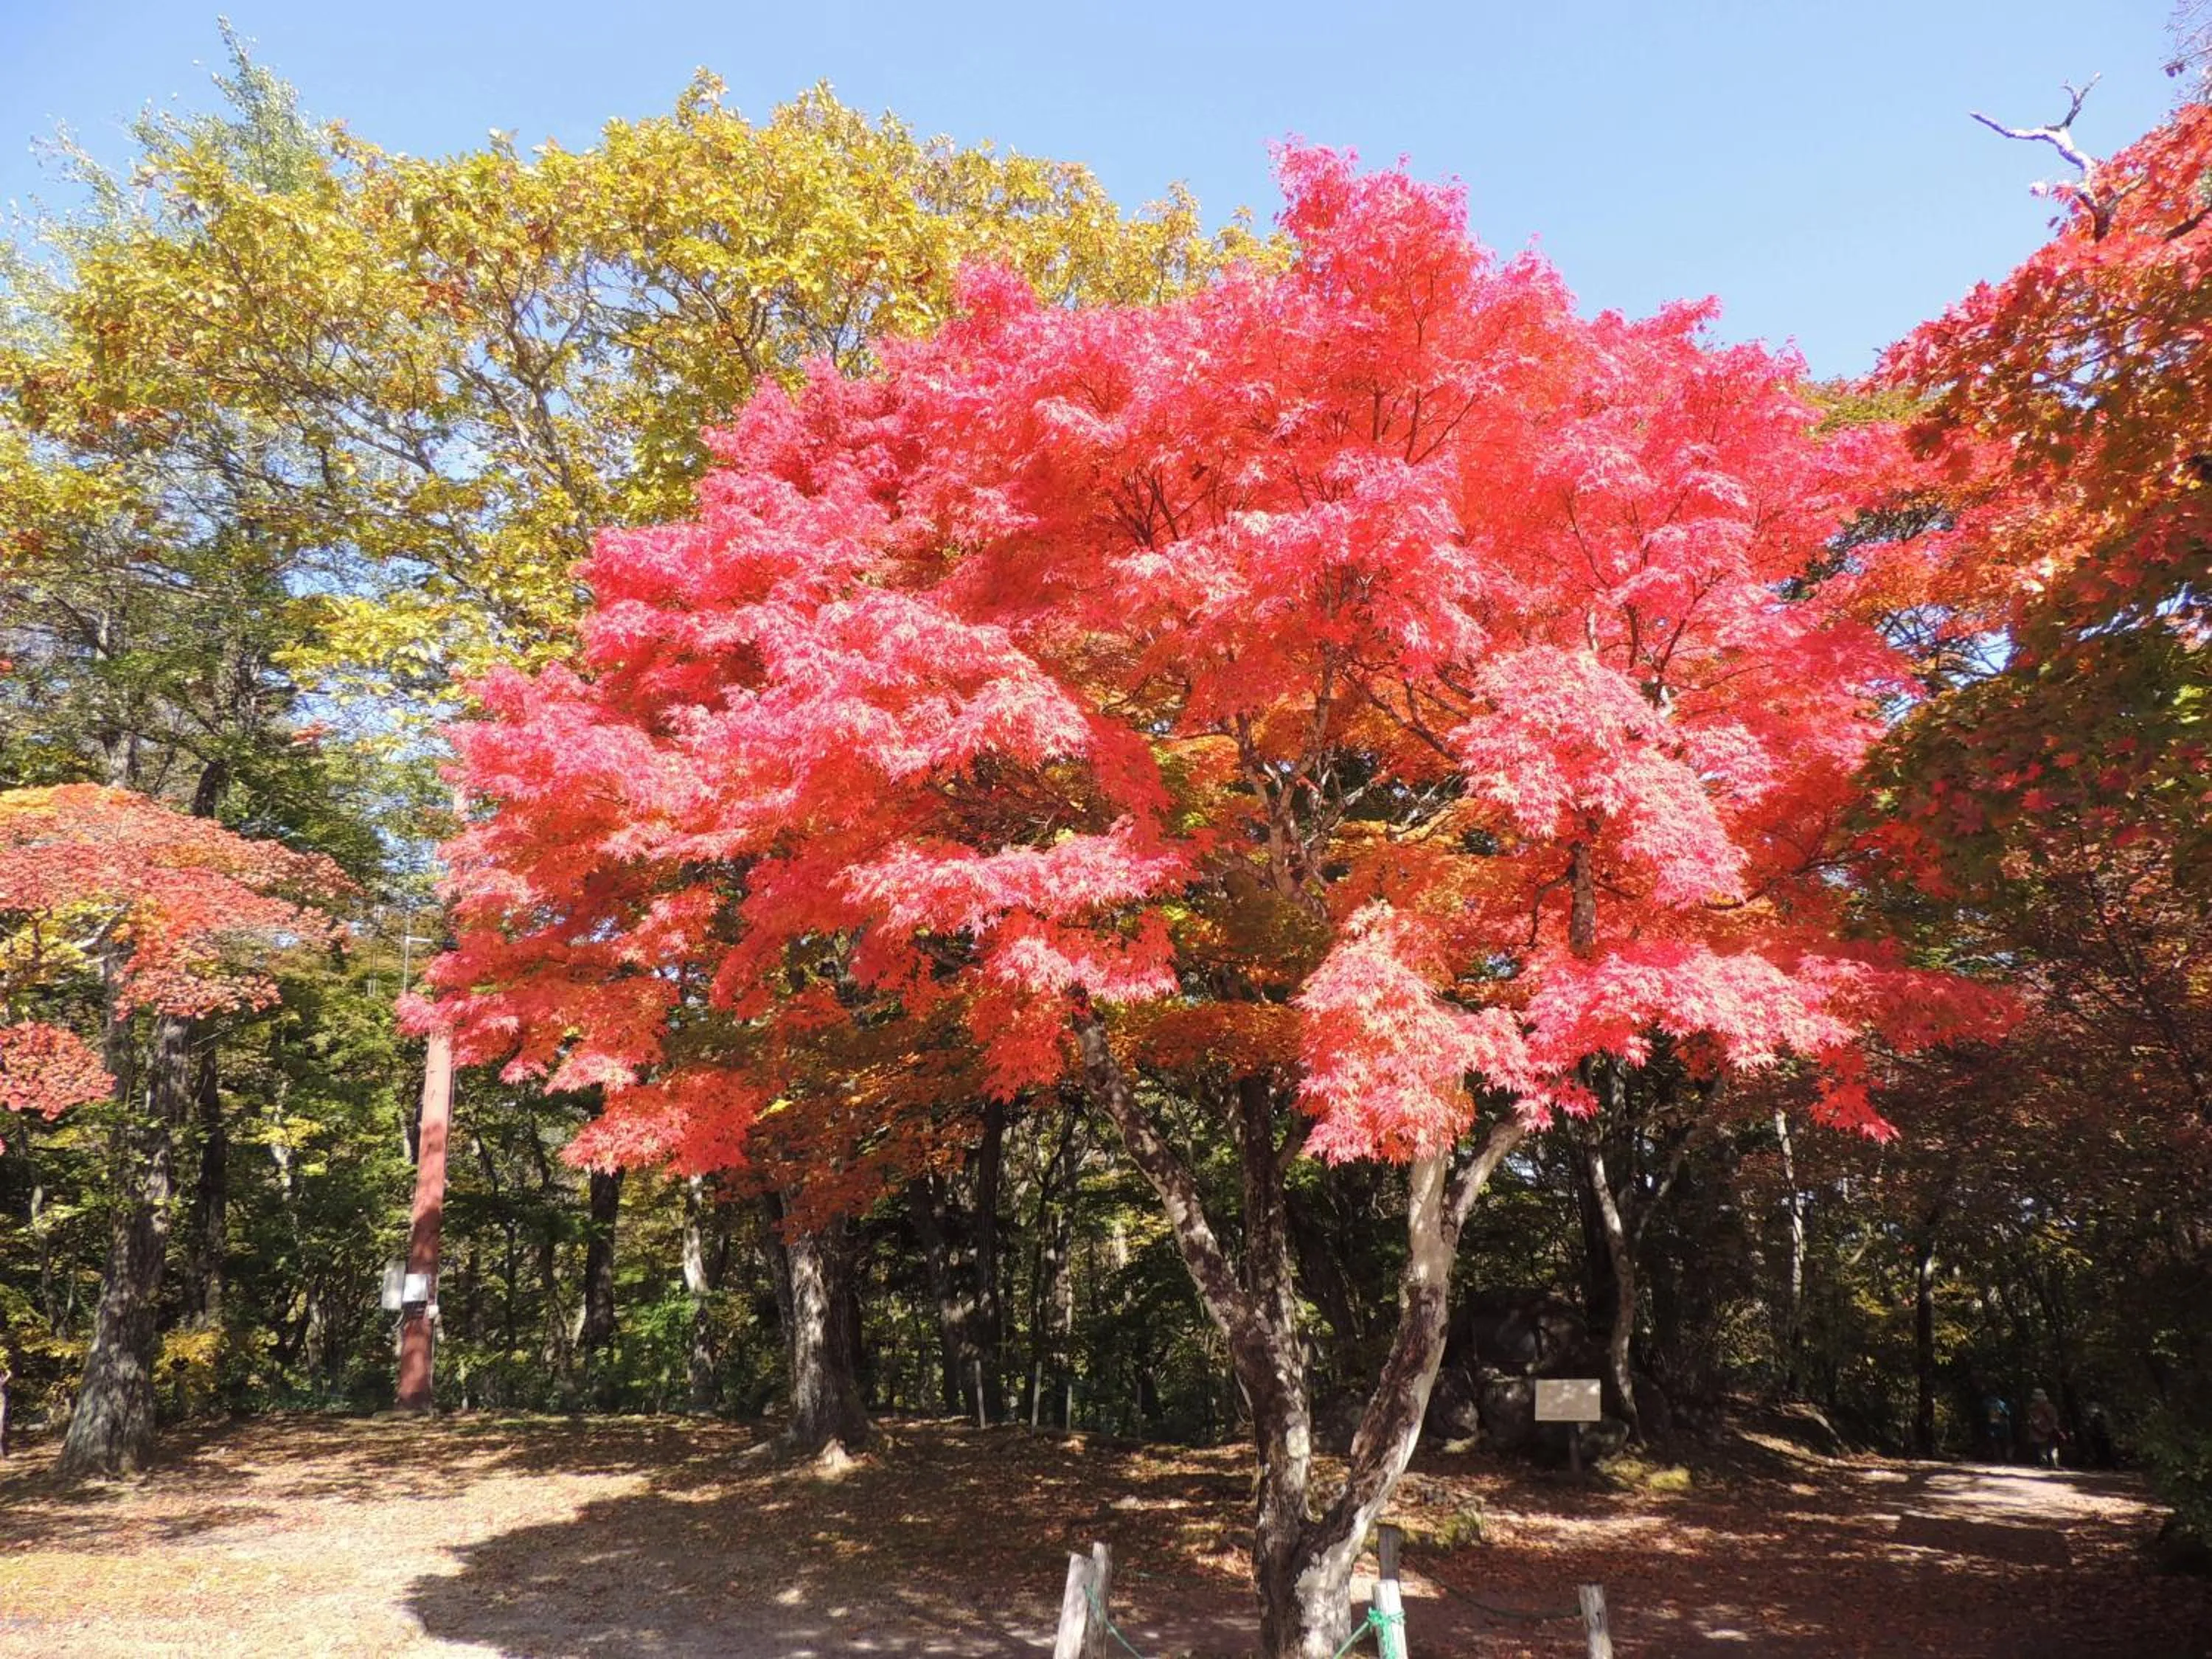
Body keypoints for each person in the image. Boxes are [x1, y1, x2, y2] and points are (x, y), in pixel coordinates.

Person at [2024, 1387, 2063, 1469]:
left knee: (2047, 1448)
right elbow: (2055, 1419)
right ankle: (2052, 1464)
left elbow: (2053, 1419)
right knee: (2047, 1448)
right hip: (2042, 1430)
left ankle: (2050, 1464)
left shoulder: (2042, 1407)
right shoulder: (2039, 1407)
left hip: (2043, 1430)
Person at [1982, 1391, 2014, 1463]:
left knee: (1995, 1442)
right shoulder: (2001, 1403)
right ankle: (2005, 1458)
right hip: (2001, 1425)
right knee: (2003, 1442)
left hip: (1992, 1424)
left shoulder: (1986, 1403)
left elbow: (1983, 1413)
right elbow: (2008, 1413)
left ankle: (1998, 1458)